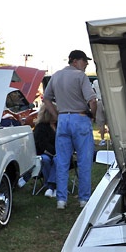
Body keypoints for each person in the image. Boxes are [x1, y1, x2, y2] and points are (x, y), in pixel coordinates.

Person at [42, 49, 97, 209]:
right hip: (80, 118)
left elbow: (46, 98)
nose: (86, 64)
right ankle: (84, 199)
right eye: (84, 61)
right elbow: (92, 100)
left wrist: (56, 115)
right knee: (84, 161)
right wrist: (92, 116)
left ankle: (61, 199)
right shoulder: (80, 76)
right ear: (75, 61)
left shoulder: (56, 75)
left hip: (63, 119)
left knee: (62, 161)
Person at [32, 106, 57, 197]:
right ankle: (53, 187)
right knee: (45, 160)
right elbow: (42, 144)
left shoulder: (59, 125)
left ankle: (51, 187)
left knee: (58, 160)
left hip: (60, 153)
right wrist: (53, 152)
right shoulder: (40, 127)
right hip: (45, 153)